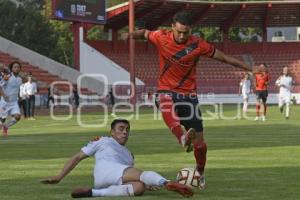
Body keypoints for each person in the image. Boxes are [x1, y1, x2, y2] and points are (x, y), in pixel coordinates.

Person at [121, 11, 254, 189]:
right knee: (164, 98)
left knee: (200, 144)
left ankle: (200, 173)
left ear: (190, 31)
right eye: (179, 32)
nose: (182, 36)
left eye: (186, 32)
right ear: (172, 28)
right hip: (166, 89)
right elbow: (144, 33)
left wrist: (251, 68)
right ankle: (182, 137)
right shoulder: (161, 36)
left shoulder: (198, 44)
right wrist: (130, 35)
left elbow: (224, 58)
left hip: (188, 95)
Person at [41, 119, 193, 198]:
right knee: (141, 174)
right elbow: (77, 157)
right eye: (121, 129)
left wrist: (147, 184)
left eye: (127, 130)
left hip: (104, 181)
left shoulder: (129, 154)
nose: (125, 132)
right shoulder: (102, 140)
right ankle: (167, 182)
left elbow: (129, 175)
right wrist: (59, 177)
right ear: (112, 132)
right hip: (107, 169)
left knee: (139, 188)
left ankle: (94, 193)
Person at [0, 61, 22, 136]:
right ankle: (3, 125)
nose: (17, 68)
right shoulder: (7, 77)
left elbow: (17, 89)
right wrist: (4, 95)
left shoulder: (20, 79)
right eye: (15, 67)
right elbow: (0, 86)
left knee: (18, 117)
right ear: (12, 68)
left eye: (18, 67)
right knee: (2, 118)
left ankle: (5, 126)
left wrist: (19, 96)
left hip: (14, 102)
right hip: (5, 102)